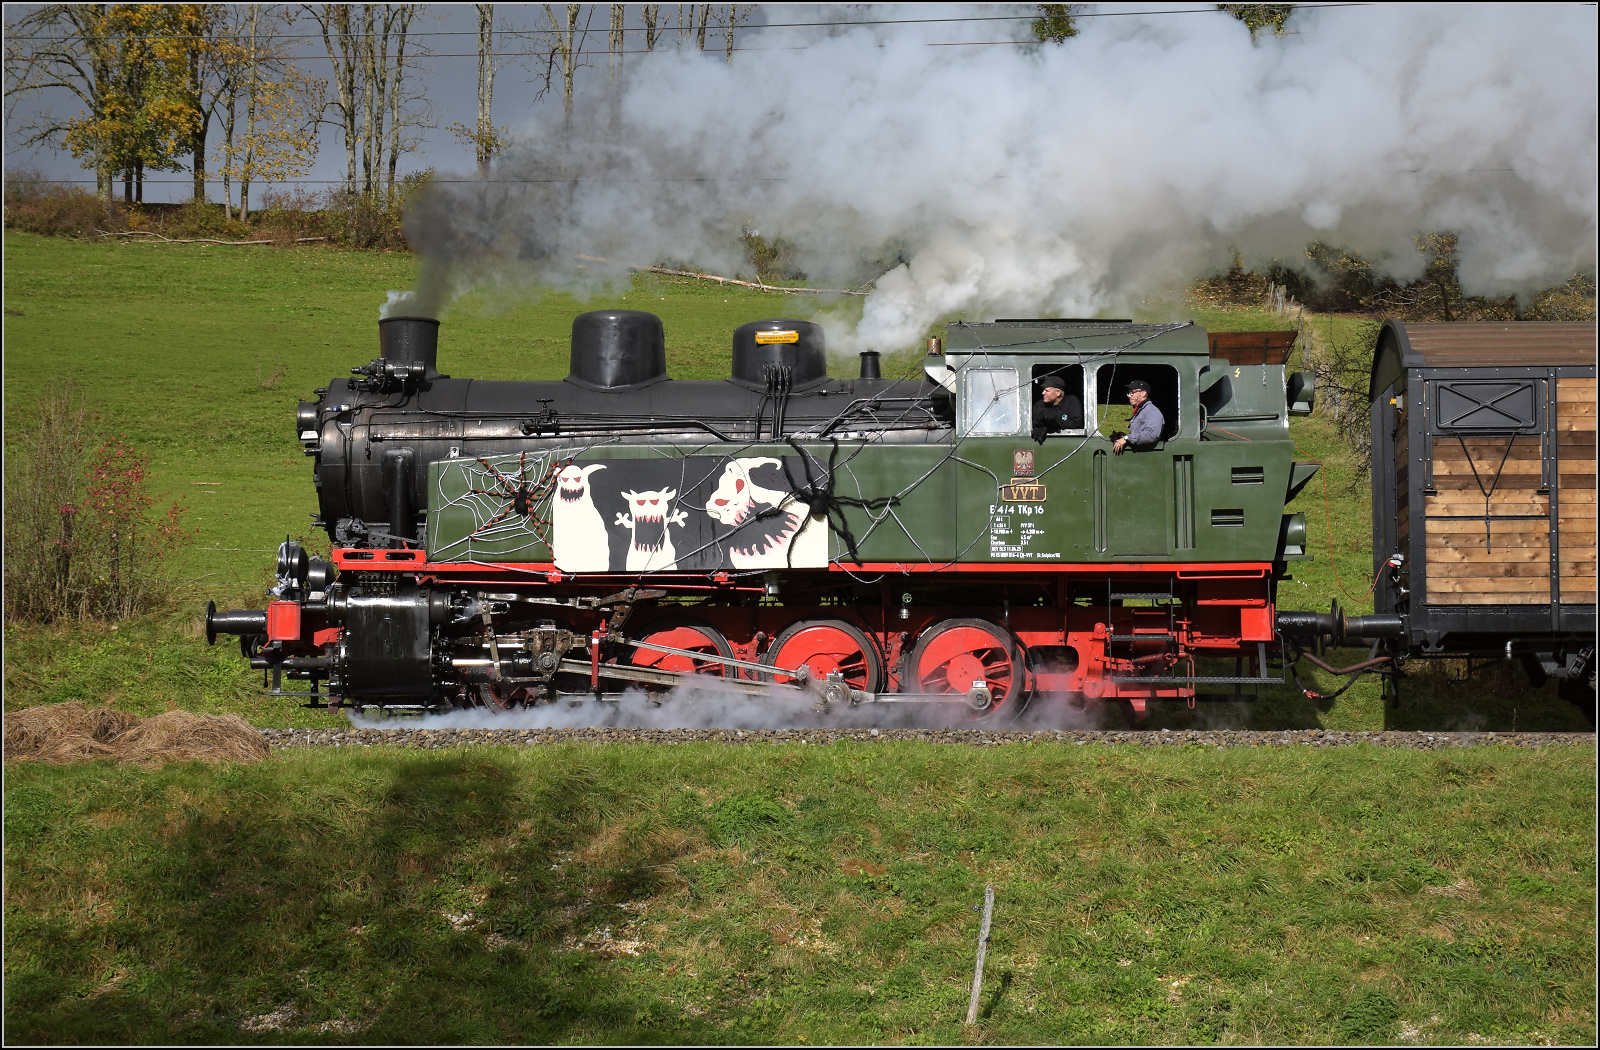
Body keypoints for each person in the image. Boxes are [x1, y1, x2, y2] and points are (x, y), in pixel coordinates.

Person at [1113, 379, 1164, 453]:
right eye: (1128, 393)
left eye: (1132, 392)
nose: (1129, 396)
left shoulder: (1151, 411)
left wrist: (1126, 438)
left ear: (1143, 393)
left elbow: (1151, 435)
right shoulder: (1141, 411)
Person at [1030, 375, 1083, 444]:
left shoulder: (1071, 402)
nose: (1043, 393)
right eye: (1043, 390)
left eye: (1047, 390)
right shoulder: (1039, 404)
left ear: (1058, 392)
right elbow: (1032, 420)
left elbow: (1076, 423)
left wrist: (1055, 424)